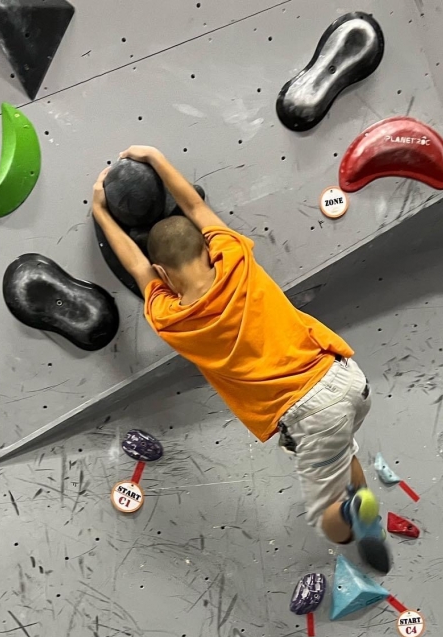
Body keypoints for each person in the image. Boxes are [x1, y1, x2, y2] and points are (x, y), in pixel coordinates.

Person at [92, 146, 388, 567]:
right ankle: (360, 503)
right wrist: (155, 158)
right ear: (206, 248)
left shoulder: (171, 319)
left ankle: (359, 527)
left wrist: (101, 212)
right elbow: (195, 206)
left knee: (332, 512)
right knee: (342, 452)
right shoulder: (234, 257)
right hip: (344, 378)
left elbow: (138, 269)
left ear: (163, 274)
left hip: (308, 412)